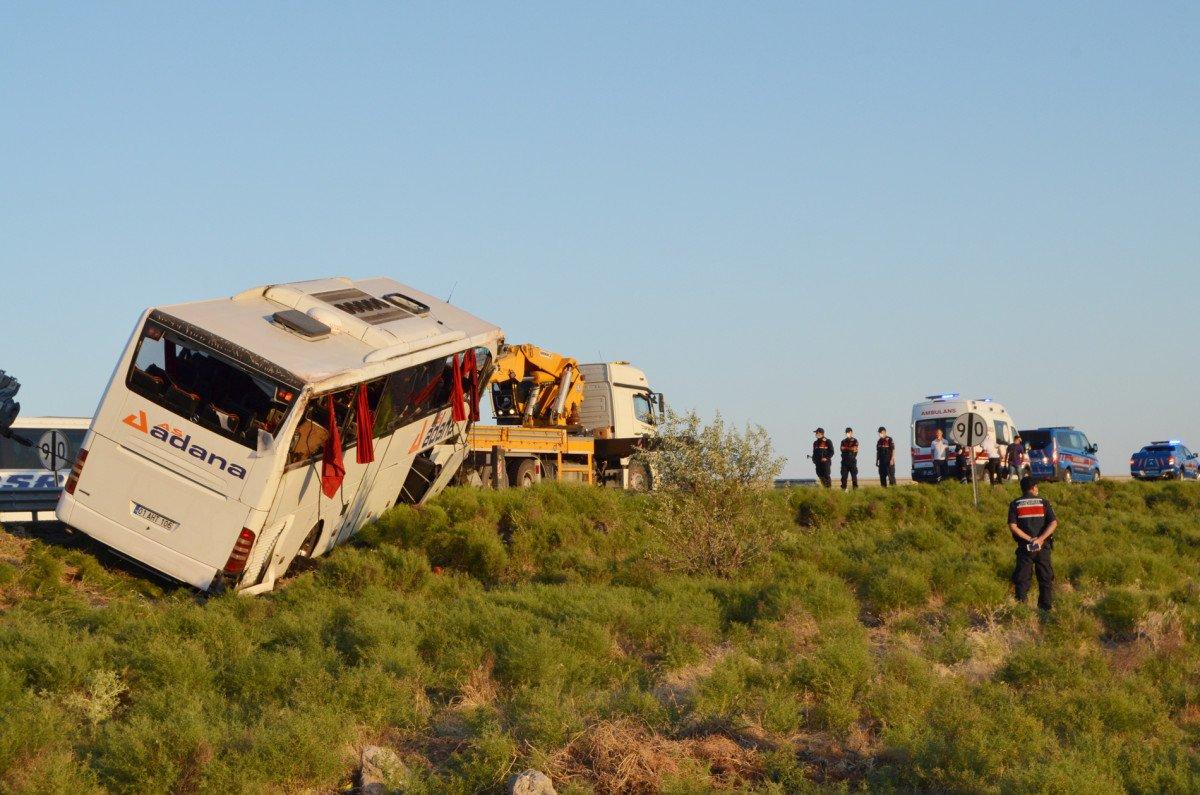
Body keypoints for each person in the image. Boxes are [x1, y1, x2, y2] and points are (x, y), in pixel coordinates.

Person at [1007, 476, 1058, 610]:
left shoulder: (1015, 504)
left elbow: (1012, 526)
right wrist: (1040, 539)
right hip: (1043, 547)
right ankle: (1045, 609)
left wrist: (1029, 539)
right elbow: (1053, 523)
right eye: (1037, 486)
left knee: (1022, 579)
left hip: (1025, 548)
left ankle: (1021, 609)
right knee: (1045, 579)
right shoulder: (1044, 502)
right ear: (1033, 488)